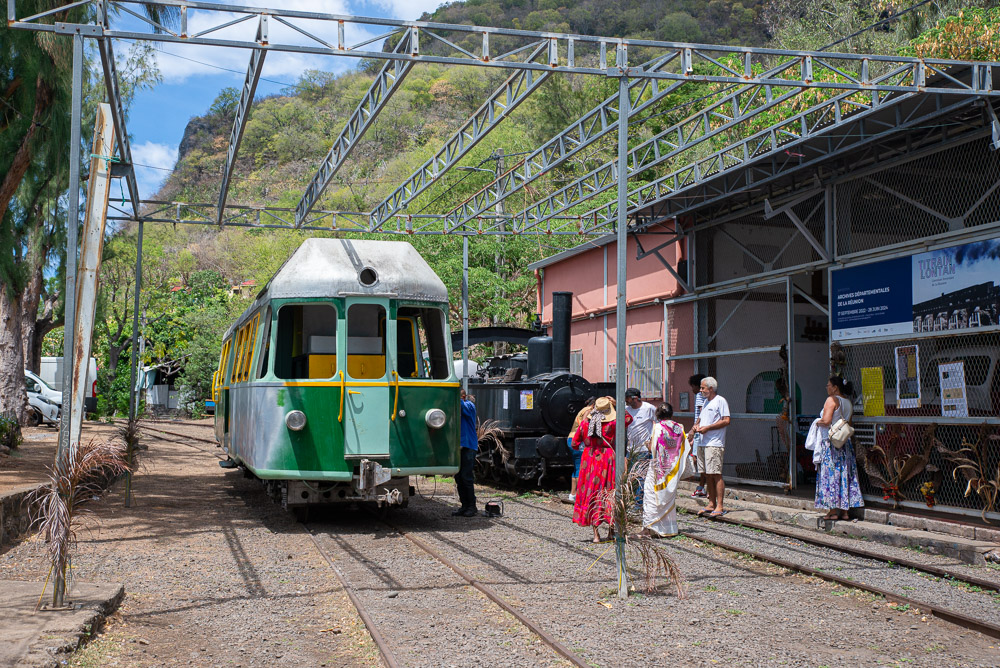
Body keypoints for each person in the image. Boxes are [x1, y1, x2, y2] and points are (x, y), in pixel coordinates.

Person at [572, 396, 632, 543]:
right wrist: (616, 404)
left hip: (590, 460)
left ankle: (596, 535)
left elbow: (574, 443)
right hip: (608, 459)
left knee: (592, 492)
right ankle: (611, 532)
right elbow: (629, 419)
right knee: (609, 491)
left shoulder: (586, 424)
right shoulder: (613, 423)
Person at [807, 375, 864, 520]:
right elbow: (849, 424)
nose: (827, 387)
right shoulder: (848, 402)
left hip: (831, 444)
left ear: (835, 387)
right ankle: (844, 512)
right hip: (845, 444)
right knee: (844, 475)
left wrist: (816, 423)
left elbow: (826, 421)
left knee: (830, 475)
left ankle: (832, 511)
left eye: (828, 385)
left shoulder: (831, 400)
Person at [641, 402, 689, 538]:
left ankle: (647, 529)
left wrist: (648, 445)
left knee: (650, 496)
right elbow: (682, 447)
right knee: (668, 499)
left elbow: (653, 448)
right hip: (672, 469)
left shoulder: (657, 428)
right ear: (671, 413)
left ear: (657, 415)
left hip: (658, 469)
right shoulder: (679, 428)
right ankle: (668, 529)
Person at [691, 376, 730, 517]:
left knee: (716, 474)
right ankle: (711, 503)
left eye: (703, 388)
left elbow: (726, 420)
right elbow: (700, 418)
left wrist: (708, 428)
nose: (700, 390)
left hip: (714, 443)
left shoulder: (720, 401)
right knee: (707, 474)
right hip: (703, 442)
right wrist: (695, 428)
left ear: (711, 388)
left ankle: (719, 505)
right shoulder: (706, 402)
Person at [624, 387, 655, 510]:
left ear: (635, 398)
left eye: (627, 398)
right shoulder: (627, 409)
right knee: (632, 475)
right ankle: (633, 500)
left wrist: (652, 440)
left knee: (641, 476)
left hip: (643, 448)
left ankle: (639, 503)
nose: (626, 401)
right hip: (630, 448)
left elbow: (658, 422)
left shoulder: (649, 408)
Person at [567, 396, 597, 503]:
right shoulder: (588, 411)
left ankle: (573, 494)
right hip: (579, 441)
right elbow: (584, 425)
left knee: (577, 467)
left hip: (572, 438)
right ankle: (578, 494)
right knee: (581, 467)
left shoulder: (582, 409)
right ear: (594, 404)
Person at [453, 389, 478, 517]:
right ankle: (464, 505)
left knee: (466, 477)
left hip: (468, 446)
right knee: (459, 477)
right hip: (460, 447)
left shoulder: (469, 406)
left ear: (463, 397)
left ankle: (472, 506)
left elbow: (462, 406)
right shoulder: (458, 408)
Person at [686, 374, 707, 497]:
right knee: (699, 460)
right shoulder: (705, 397)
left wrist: (693, 430)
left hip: (699, 432)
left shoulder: (700, 396)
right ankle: (702, 486)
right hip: (700, 432)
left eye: (692, 386)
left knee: (697, 459)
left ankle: (702, 486)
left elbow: (701, 414)